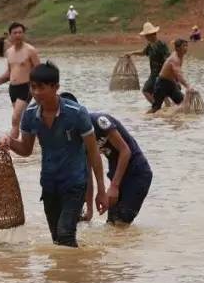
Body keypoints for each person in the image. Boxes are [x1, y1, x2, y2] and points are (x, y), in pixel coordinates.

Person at [0, 63, 102, 248]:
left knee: (65, 234)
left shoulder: (77, 113)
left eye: (41, 87)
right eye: (33, 87)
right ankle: (67, 273)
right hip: (49, 184)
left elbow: (94, 153)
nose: (36, 92)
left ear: (55, 87)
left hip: (75, 183)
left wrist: (101, 190)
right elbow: (26, 149)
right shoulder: (29, 114)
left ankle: (75, 274)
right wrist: (10, 142)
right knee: (57, 239)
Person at [62, 93, 152, 225]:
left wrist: (114, 187)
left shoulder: (99, 121)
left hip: (137, 173)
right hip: (116, 174)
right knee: (112, 224)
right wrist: (90, 210)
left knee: (120, 222)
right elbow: (87, 173)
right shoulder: (77, 137)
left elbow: (125, 151)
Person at [0, 22, 40, 139]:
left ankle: (11, 145)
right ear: (10, 35)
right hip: (13, 88)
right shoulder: (9, 52)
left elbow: (39, 71)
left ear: (24, 34)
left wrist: (36, 90)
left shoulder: (31, 50)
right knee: (21, 118)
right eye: (15, 33)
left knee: (15, 118)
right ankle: (31, 140)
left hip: (26, 87)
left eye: (20, 32)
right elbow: (9, 73)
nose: (18, 35)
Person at [147, 39, 193, 113]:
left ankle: (172, 118)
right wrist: (188, 86)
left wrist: (177, 82)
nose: (186, 48)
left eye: (187, 46)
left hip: (171, 83)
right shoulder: (174, 59)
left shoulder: (180, 55)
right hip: (161, 83)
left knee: (182, 102)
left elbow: (176, 73)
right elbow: (179, 74)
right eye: (184, 46)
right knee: (156, 108)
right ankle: (145, 119)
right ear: (177, 48)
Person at [130, 22, 170, 106]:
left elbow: (168, 59)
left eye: (146, 35)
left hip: (162, 73)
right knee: (146, 91)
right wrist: (132, 53)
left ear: (152, 34)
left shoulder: (161, 45)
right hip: (153, 74)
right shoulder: (150, 45)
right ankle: (156, 106)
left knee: (164, 94)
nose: (145, 37)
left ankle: (166, 108)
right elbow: (143, 52)